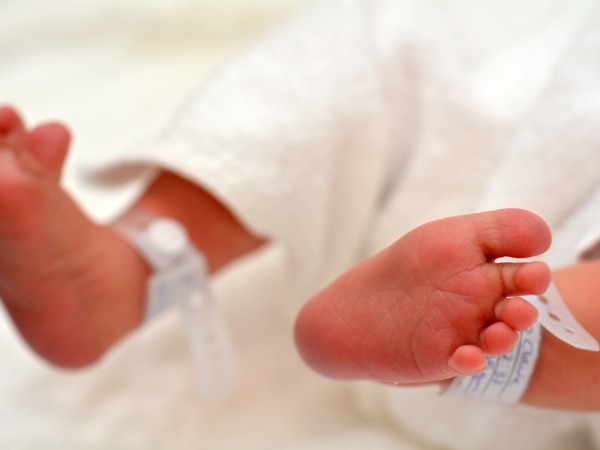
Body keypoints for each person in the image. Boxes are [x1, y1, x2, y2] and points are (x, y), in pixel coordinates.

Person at [2, 0, 600, 445]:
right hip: (501, 113)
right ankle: (133, 264)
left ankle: (492, 340)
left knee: (378, 54)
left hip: (556, 272)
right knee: (375, 39)